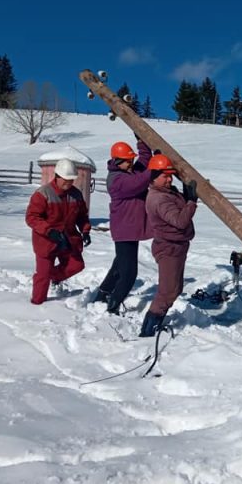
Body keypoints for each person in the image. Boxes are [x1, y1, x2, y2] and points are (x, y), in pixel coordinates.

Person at [140, 154, 198, 337]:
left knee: (176, 288)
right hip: (168, 248)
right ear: (154, 177)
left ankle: (156, 321)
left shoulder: (167, 192)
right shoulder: (159, 199)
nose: (169, 179)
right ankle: (148, 330)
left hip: (177, 246)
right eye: (164, 176)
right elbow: (180, 221)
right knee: (167, 291)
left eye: (170, 175)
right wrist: (191, 202)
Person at [94, 138, 153, 314]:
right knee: (129, 273)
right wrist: (155, 169)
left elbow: (144, 159)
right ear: (118, 161)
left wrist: (142, 140)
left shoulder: (130, 172)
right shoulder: (116, 179)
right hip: (125, 230)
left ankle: (103, 294)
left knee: (119, 265)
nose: (131, 163)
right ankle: (113, 305)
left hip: (131, 229)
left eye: (131, 160)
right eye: (128, 160)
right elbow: (139, 183)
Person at [25, 158, 91, 305]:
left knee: (76, 265)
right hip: (46, 241)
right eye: (66, 179)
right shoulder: (43, 194)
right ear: (57, 176)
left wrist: (85, 231)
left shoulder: (76, 194)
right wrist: (48, 231)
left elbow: (82, 216)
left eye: (71, 180)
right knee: (43, 275)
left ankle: (51, 277)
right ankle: (36, 303)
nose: (68, 183)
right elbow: (32, 217)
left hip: (67, 239)